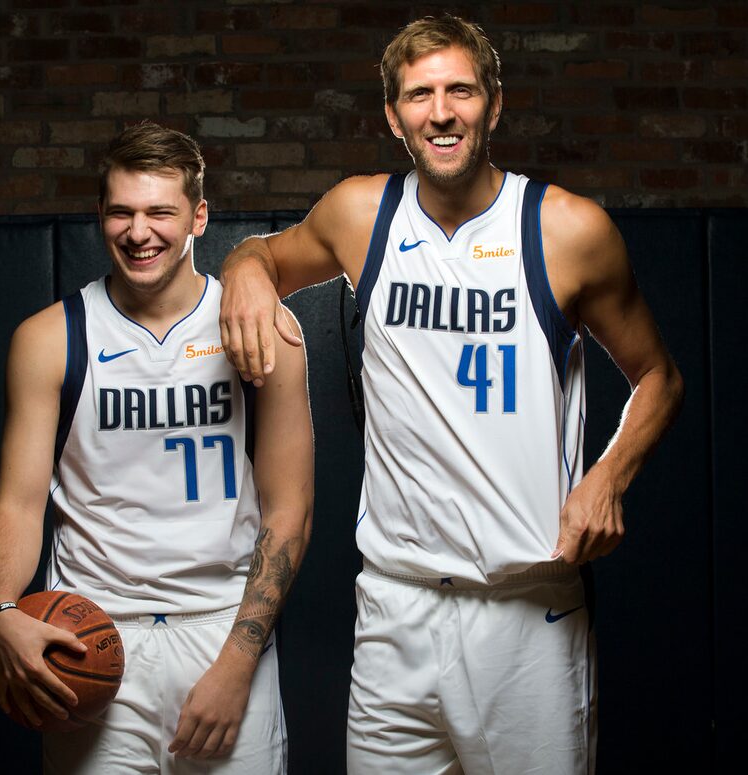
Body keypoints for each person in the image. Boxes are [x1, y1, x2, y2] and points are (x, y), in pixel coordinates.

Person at [219, 15, 683, 775]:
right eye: (419, 94)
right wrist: (243, 266)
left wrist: (608, 475)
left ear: (494, 105)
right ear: (393, 117)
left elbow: (661, 377)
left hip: (527, 609)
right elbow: (265, 255)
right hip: (395, 611)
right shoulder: (362, 215)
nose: (441, 111)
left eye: (460, 91)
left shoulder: (564, 229)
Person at [0, 121, 313, 774]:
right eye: (122, 211)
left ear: (198, 216)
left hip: (223, 630)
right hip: (92, 637)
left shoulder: (263, 331)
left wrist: (238, 663)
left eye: (160, 211)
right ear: (100, 215)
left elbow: (289, 510)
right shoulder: (49, 339)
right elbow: (19, 504)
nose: (140, 232)